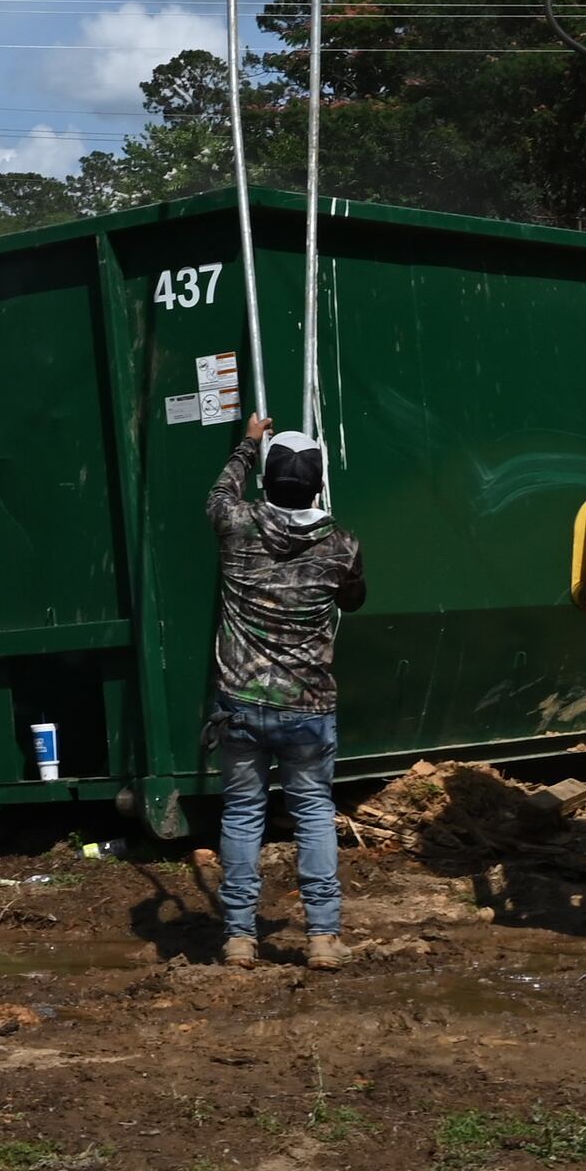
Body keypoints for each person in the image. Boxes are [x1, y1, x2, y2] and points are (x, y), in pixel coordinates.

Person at [205, 413, 366, 969]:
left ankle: (239, 937)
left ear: (268, 483)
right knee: (314, 812)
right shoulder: (342, 543)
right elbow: (354, 600)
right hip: (308, 706)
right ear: (318, 485)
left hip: (241, 704)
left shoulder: (236, 524)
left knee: (244, 813)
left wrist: (249, 442)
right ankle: (322, 936)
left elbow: (222, 489)